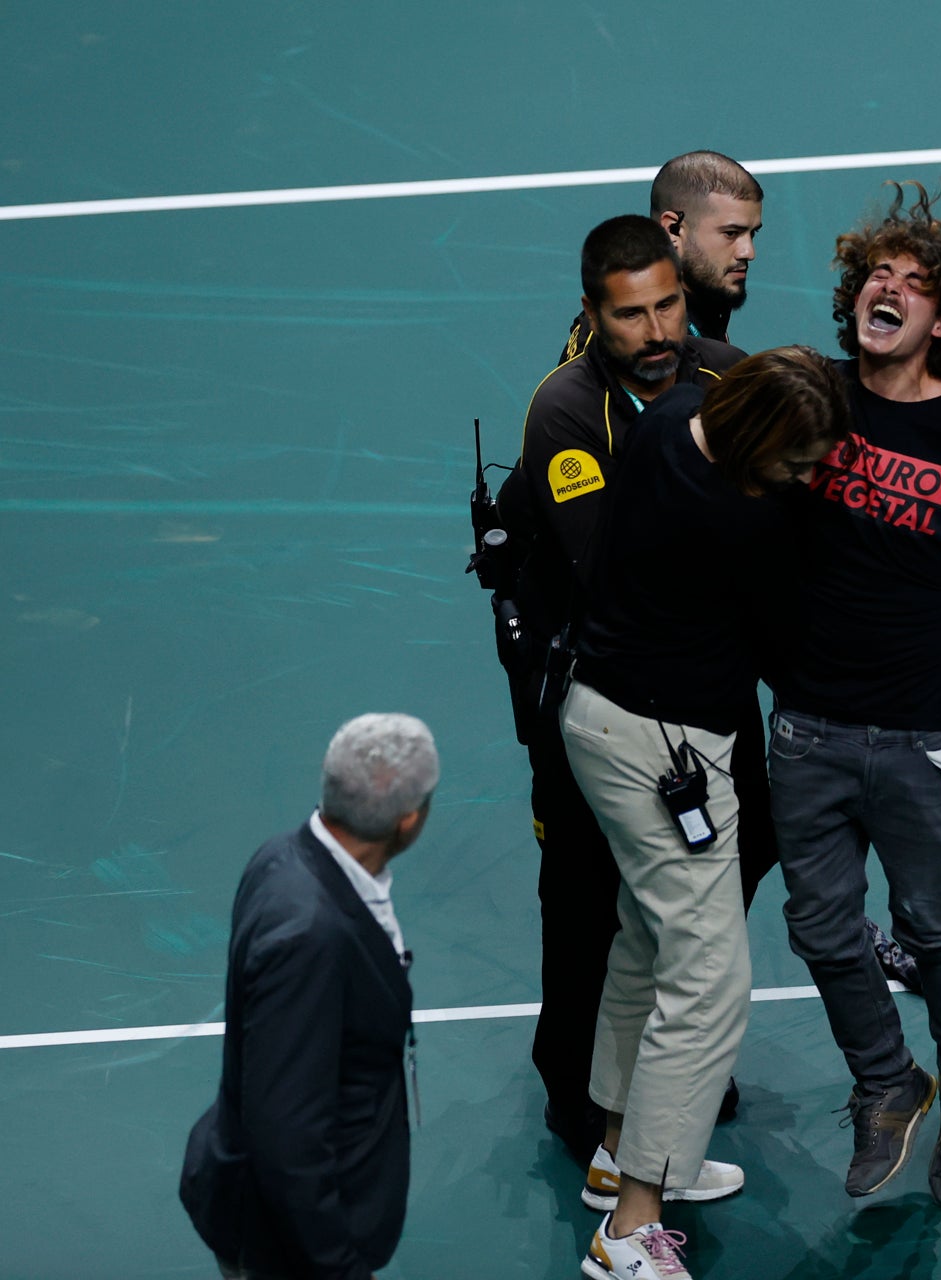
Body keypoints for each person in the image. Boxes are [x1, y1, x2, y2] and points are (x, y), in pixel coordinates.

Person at [566, 346, 851, 1280]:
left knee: (646, 944)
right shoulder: (740, 518)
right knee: (710, 980)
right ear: (761, 442)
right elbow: (792, 641)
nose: (807, 479)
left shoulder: (667, 420)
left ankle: (616, 1157)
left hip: (596, 716)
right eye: (800, 462)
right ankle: (631, 1229)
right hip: (663, 752)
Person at [769, 184, 941, 1211]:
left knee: (932, 925)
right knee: (822, 926)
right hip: (806, 720)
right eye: (880, 273)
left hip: (921, 727)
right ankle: (887, 1079)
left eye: (916, 285)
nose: (891, 289)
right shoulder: (812, 394)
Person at [495, 214, 770, 1162]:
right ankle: (582, 1100)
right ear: (592, 316)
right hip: (597, 696)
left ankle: (663, 1073)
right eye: (631, 317)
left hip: (711, 688)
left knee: (729, 868)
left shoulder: (728, 375)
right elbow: (608, 567)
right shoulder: (565, 414)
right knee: (584, 899)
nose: (657, 334)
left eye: (669, 308)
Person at [179, 713, 440, 1280]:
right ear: (409, 821)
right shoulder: (311, 938)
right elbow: (287, 1137)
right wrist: (339, 1267)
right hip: (291, 1247)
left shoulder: (282, 855)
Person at [562, 150, 764, 358]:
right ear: (673, 230)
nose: (748, 252)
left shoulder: (705, 305)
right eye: (731, 233)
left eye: (752, 233)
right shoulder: (636, 349)